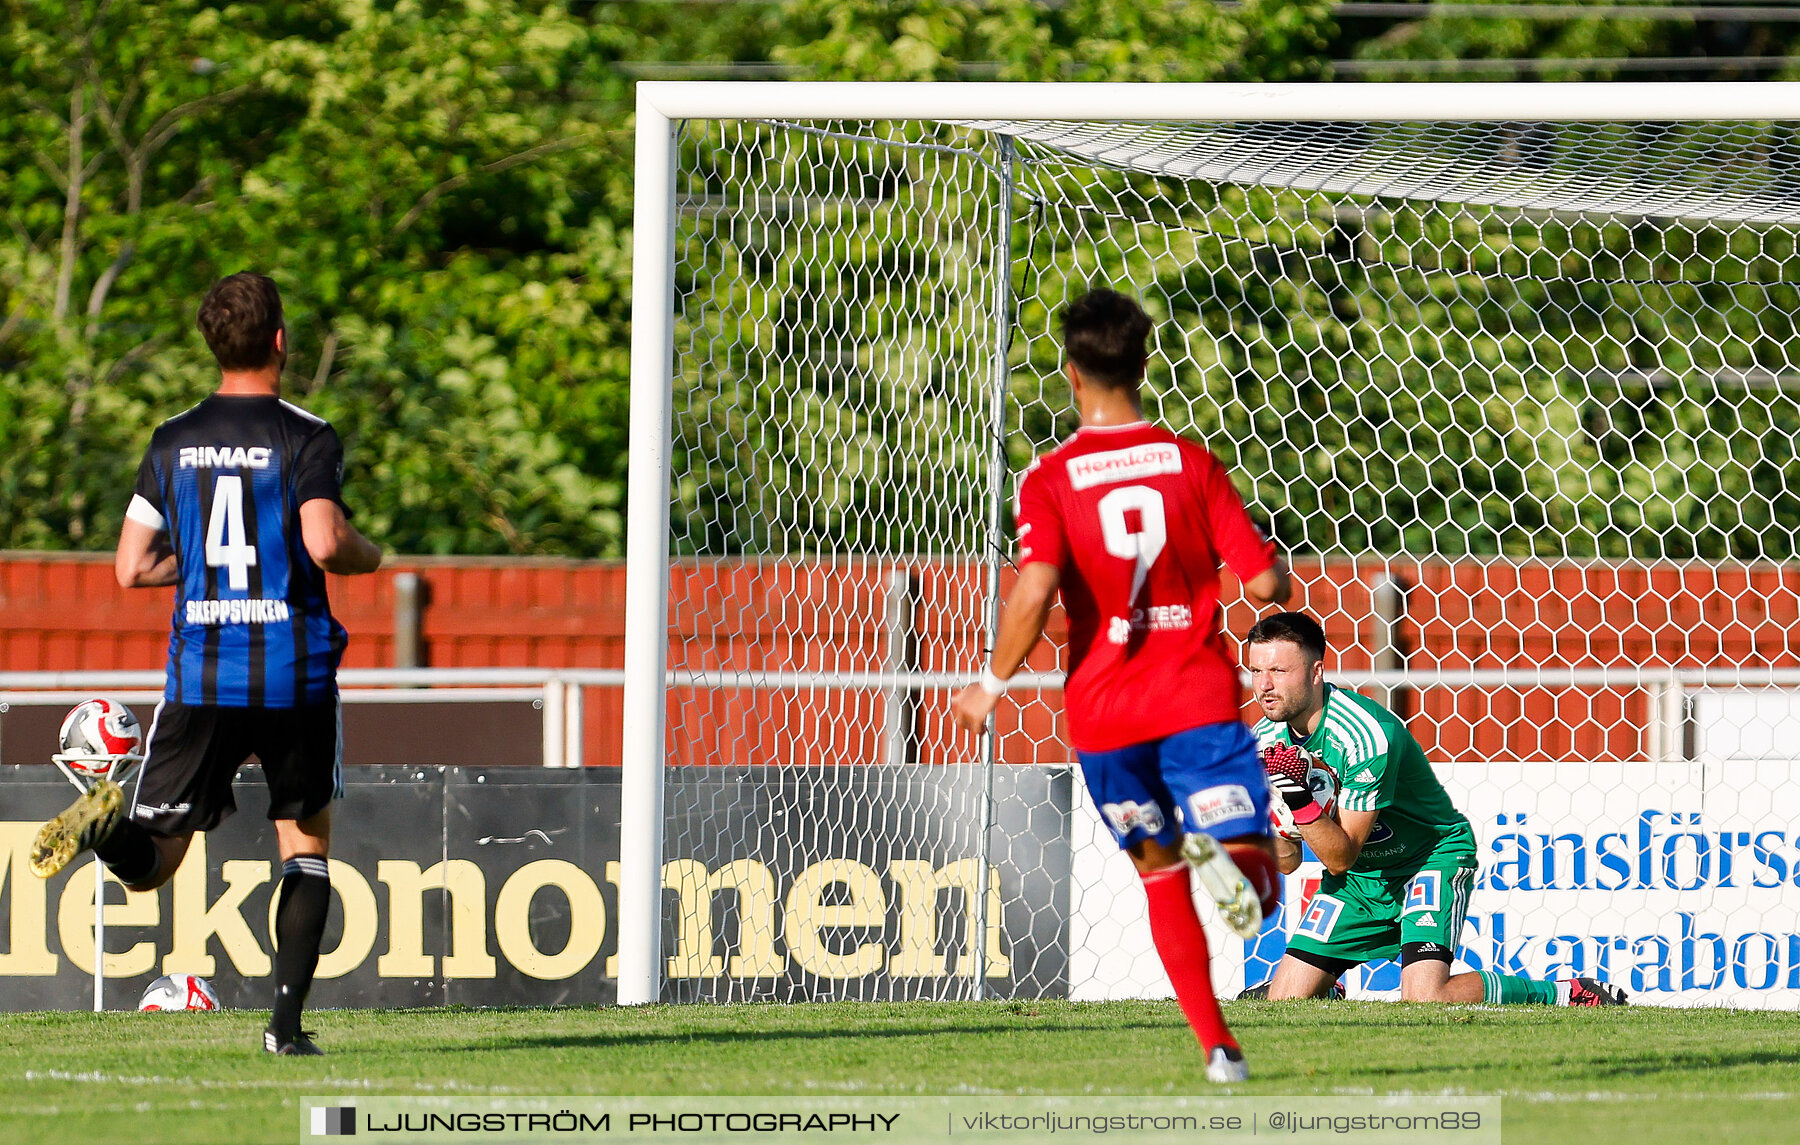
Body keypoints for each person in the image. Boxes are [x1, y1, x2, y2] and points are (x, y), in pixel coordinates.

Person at [29, 273, 383, 1054]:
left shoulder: (173, 439)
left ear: (212, 345)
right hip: (293, 669)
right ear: (281, 342)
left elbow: (130, 565)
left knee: (153, 864)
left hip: (203, 670)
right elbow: (325, 541)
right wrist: (369, 552)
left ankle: (106, 825)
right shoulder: (307, 435)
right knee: (304, 840)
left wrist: (194, 573)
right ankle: (285, 1030)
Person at [952, 288, 1291, 1083]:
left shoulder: (1050, 478)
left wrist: (988, 686)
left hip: (1106, 712)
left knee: (1157, 867)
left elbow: (1036, 593)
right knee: (1260, 879)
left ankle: (1220, 1048)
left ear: (1071, 373)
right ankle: (1231, 849)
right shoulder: (1190, 463)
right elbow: (1268, 583)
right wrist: (1269, 560)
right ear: (1145, 362)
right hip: (1195, 696)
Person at [1245, 610, 1626, 1007]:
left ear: (1316, 671)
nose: (1264, 685)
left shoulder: (1365, 734)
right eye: (1256, 670)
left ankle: (1566, 993)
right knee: (1285, 999)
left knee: (1427, 997)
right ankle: (1327, 987)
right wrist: (1258, 830)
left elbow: (1340, 857)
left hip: (1427, 859)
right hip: (1364, 877)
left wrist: (1300, 801)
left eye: (1278, 670)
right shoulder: (1264, 739)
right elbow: (1288, 861)